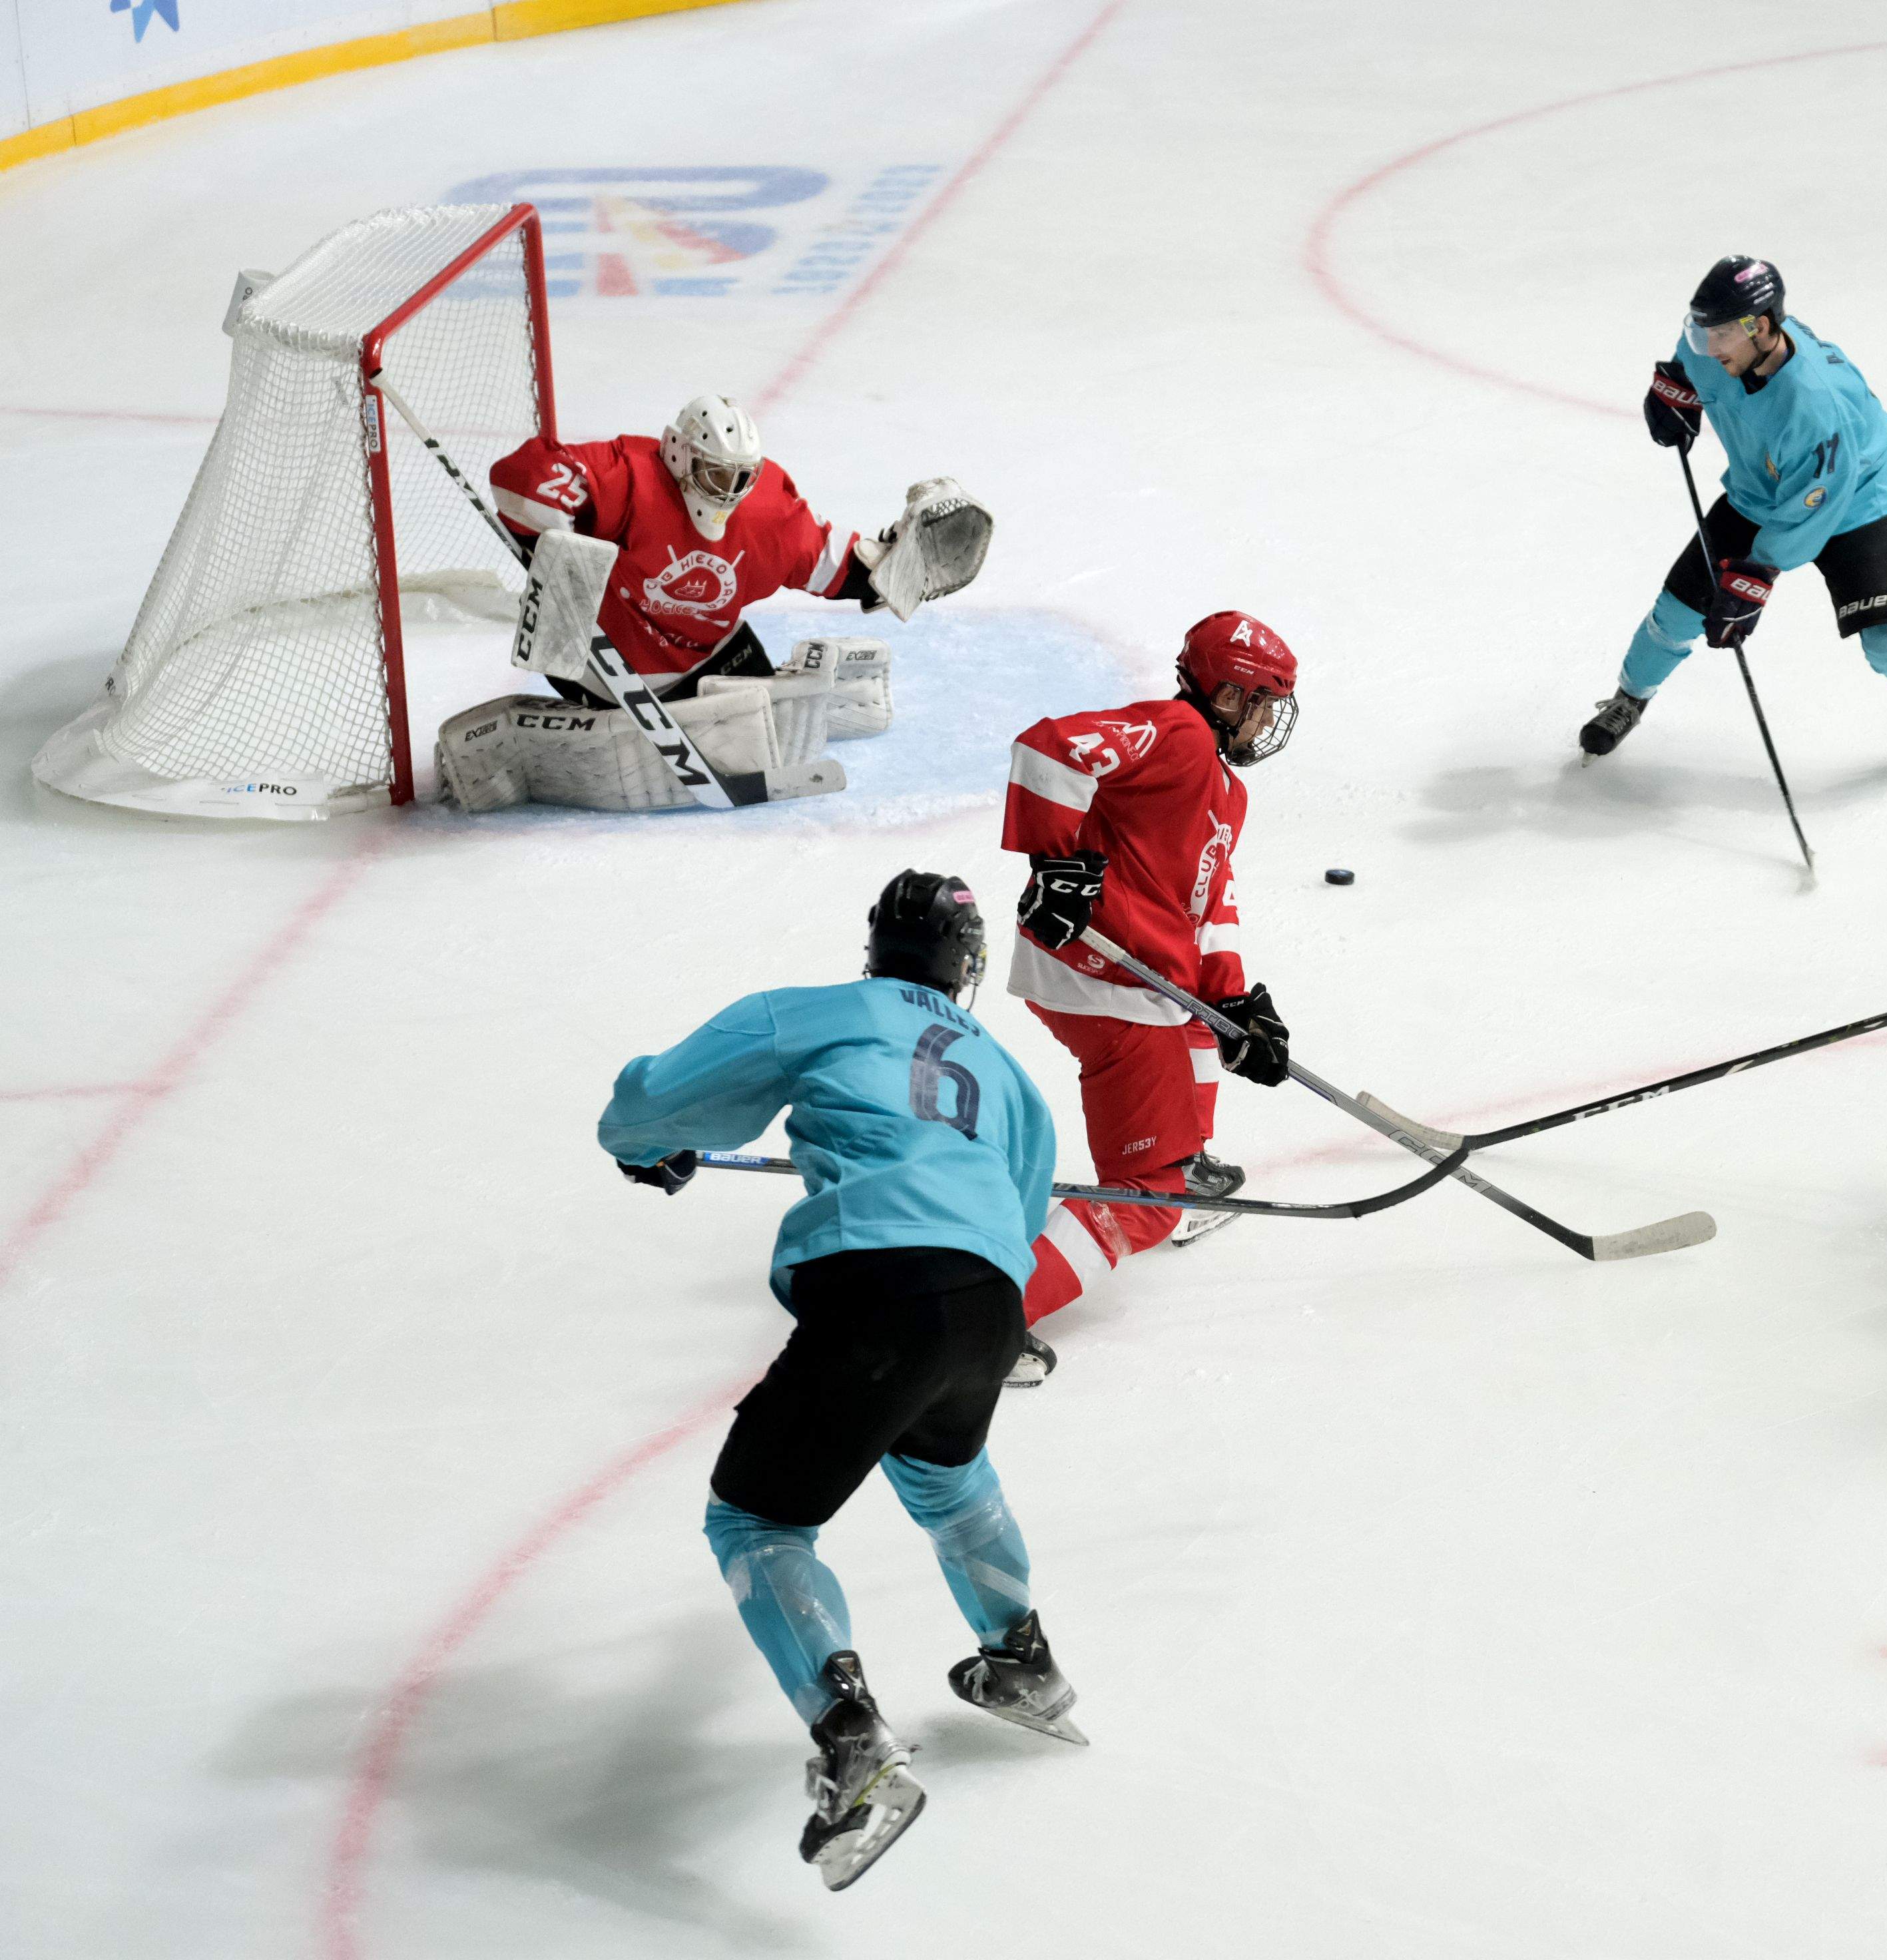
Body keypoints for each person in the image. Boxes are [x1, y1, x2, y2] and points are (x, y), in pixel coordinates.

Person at [599, 871, 1087, 1891]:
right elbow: (1024, 1208)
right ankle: (1024, 1660)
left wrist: (657, 1148)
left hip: (879, 1286)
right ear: (969, 965)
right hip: (988, 1303)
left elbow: (649, 1106)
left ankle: (854, 1743)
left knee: (755, 1521)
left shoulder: (816, 1013)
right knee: (949, 1482)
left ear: (878, 951)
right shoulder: (1006, 1073)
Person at [997, 612, 1300, 1373]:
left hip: (1131, 978)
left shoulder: (1225, 794)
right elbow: (1047, 750)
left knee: (1197, 1034)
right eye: (1261, 700)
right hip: (1103, 976)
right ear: (1227, 695)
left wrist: (1231, 1005)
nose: (1267, 720)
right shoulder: (1180, 735)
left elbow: (1209, 904)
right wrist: (1053, 865)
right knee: (1144, 1199)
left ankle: (1182, 1160)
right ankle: (986, 1320)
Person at [1579, 256, 1887, 769]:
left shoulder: (1813, 405)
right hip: (1760, 492)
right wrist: (1676, 391)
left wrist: (1755, 576)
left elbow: (1814, 508)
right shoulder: (1717, 348)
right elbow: (1690, 363)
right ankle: (1628, 698)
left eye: (1720, 336)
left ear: (1759, 328)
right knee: (1677, 612)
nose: (1708, 349)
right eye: (1701, 334)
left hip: (1856, 501)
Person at [490, 393, 980, 703]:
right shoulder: (629, 474)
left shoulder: (768, 513)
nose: (728, 491)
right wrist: (557, 548)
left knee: (780, 726)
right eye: (717, 474)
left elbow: (838, 567)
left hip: (709, 658)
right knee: (747, 735)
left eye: (742, 478)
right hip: (599, 668)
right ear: (678, 453)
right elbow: (520, 476)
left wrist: (894, 566)